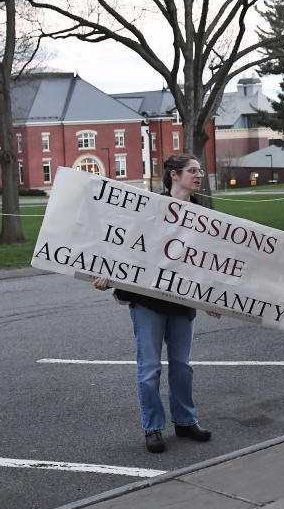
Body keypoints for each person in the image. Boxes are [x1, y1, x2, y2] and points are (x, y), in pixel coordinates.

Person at [93, 154, 220, 454]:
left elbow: (209, 262)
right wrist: (108, 274)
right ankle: (153, 428)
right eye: (192, 171)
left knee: (182, 367)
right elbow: (129, 245)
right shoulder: (150, 208)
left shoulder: (203, 215)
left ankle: (185, 421)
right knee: (149, 369)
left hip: (182, 304)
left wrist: (214, 299)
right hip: (148, 302)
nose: (198, 175)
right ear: (174, 175)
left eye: (199, 171)